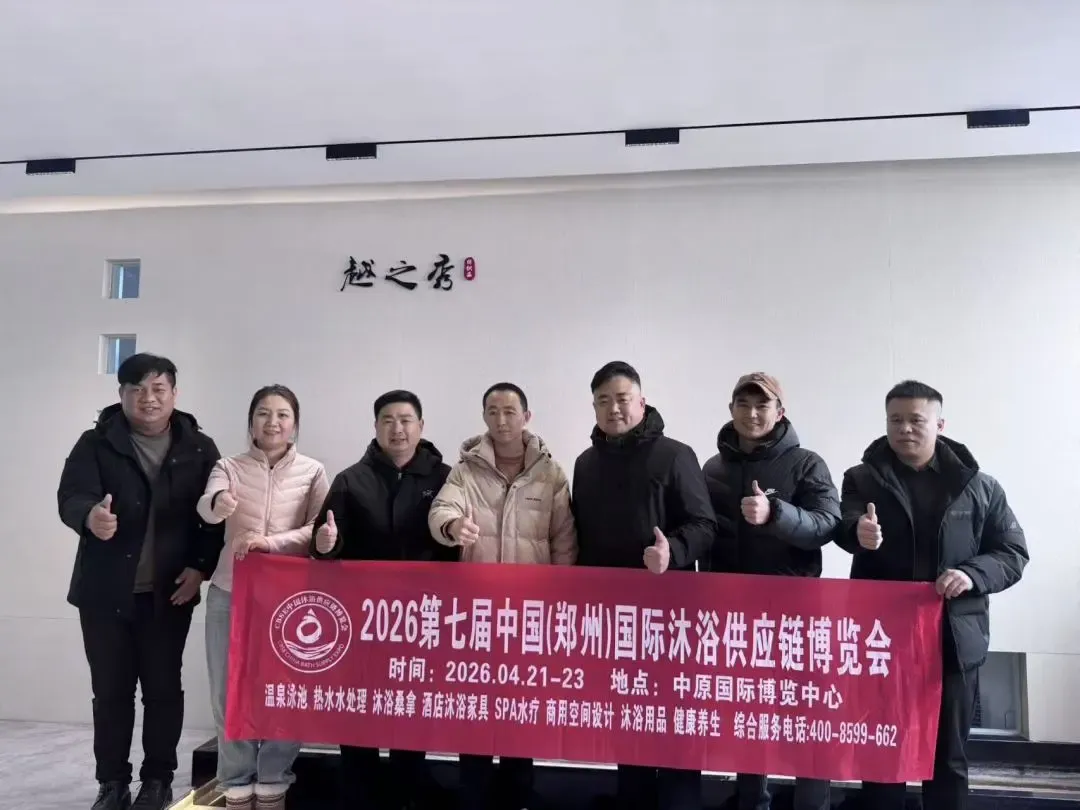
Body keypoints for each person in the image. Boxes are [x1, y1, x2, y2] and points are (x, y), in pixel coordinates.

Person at [836, 380, 1029, 810]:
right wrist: (858, 533)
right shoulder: (861, 479)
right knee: (882, 751)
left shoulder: (979, 486)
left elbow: (1012, 552)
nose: (904, 428)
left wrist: (972, 574)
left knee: (948, 760)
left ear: (939, 424)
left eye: (916, 420)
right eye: (895, 420)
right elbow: (844, 524)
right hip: (883, 642)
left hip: (953, 643)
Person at [57, 353, 223, 810]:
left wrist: (200, 567)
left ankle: (158, 781)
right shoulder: (95, 442)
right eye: (137, 389)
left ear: (174, 393)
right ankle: (112, 783)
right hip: (104, 592)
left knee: (163, 691)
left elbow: (213, 518)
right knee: (111, 693)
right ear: (122, 394)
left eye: (158, 389)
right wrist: (89, 517)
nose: (148, 398)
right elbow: (71, 495)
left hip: (168, 593)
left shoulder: (198, 447)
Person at [571, 361, 716, 810]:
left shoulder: (675, 455)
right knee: (629, 718)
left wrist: (674, 551)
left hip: (670, 618)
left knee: (674, 723)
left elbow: (705, 525)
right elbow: (581, 536)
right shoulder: (585, 463)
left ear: (642, 401)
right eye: (603, 401)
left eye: (622, 399)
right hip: (614, 620)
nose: (613, 409)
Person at [428, 382, 578, 810]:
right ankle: (473, 794)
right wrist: (453, 527)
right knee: (475, 709)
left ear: (526, 417)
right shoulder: (466, 470)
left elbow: (564, 541)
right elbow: (441, 510)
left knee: (520, 711)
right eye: (492, 411)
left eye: (510, 411)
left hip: (529, 616)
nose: (501, 420)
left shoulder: (550, 474)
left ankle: (518, 794)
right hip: (477, 614)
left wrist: (560, 607)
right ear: (484, 417)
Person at [310, 390, 456, 810]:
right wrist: (324, 544)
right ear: (375, 427)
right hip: (363, 619)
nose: (397, 429)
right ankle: (361, 793)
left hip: (422, 619)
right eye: (388, 420)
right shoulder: (350, 479)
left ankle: (408, 791)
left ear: (421, 426)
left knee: (411, 708)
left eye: (406, 420)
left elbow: (455, 549)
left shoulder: (446, 478)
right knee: (359, 708)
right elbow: (326, 541)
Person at [702, 373, 838, 810]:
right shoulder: (713, 469)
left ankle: (811, 804)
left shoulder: (807, 464)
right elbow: (703, 531)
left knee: (806, 716)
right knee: (749, 713)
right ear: (731, 411)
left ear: (780, 412)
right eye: (743, 404)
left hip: (795, 613)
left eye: (763, 405)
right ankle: (750, 800)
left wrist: (776, 512)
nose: (752, 413)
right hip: (735, 615)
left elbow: (827, 524)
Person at [197, 385, 329, 810]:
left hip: (289, 600)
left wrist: (270, 543)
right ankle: (236, 780)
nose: (273, 422)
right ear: (251, 421)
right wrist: (220, 503)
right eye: (263, 414)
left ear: (295, 424)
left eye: (282, 415)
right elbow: (206, 504)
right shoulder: (228, 466)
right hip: (229, 592)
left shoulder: (312, 471)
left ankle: (273, 778)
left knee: (285, 690)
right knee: (228, 690)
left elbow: (317, 530)